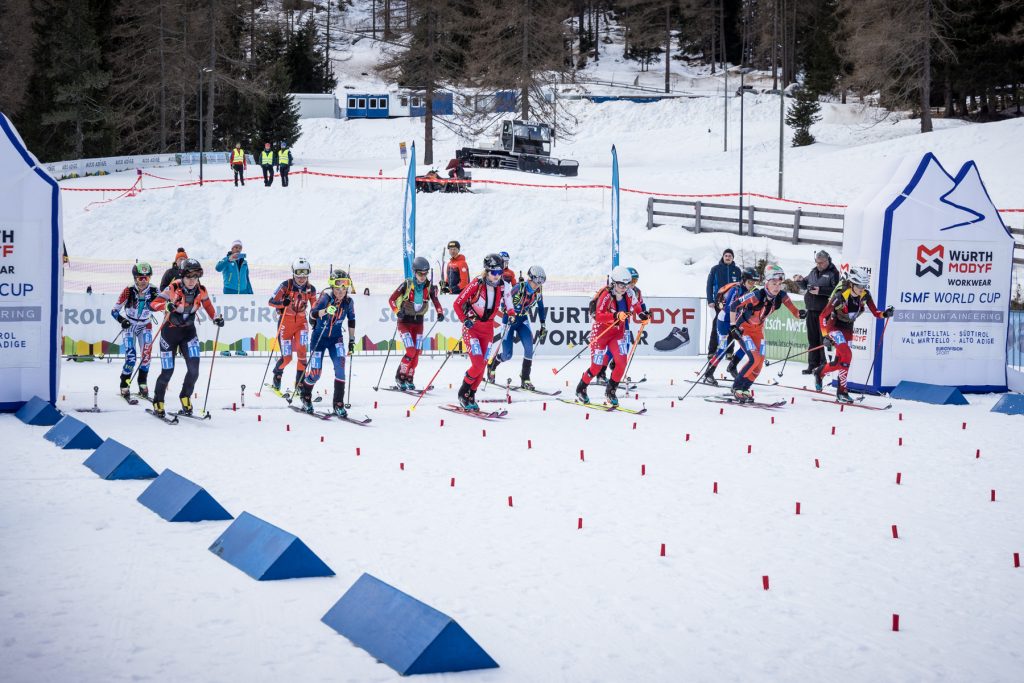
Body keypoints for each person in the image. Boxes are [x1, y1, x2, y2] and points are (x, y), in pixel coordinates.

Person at [148, 258, 224, 418]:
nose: (192, 281)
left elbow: (208, 306)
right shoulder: (173, 287)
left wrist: (216, 318)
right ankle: (158, 401)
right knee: (167, 371)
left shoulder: (201, 290)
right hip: (169, 333)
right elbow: (153, 304)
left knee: (194, 371)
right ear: (182, 275)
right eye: (189, 277)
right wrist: (165, 306)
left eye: (195, 277)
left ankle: (185, 396)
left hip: (189, 333)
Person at [815, 267, 894, 402]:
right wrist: (825, 336)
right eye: (859, 286)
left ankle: (820, 372)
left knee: (840, 362)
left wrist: (885, 314)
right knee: (847, 355)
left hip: (848, 329)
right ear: (852, 283)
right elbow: (823, 315)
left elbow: (876, 313)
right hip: (834, 327)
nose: (861, 289)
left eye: (864, 285)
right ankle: (842, 391)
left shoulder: (865, 295)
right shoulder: (840, 296)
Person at [729, 265, 805, 402]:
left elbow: (794, 311)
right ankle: (736, 387)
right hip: (744, 328)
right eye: (774, 283)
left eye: (779, 284)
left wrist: (801, 314)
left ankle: (745, 388)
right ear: (767, 283)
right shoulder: (756, 295)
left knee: (760, 361)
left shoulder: (781, 296)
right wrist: (733, 326)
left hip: (758, 330)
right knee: (754, 358)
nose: (777, 287)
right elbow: (734, 305)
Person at [575, 265, 648, 407]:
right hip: (601, 333)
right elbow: (599, 316)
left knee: (621, 362)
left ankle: (611, 391)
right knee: (596, 367)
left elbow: (637, 307)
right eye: (621, 285)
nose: (624, 288)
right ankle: (581, 388)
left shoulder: (630, 293)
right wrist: (615, 315)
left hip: (617, 333)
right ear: (614, 282)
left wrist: (643, 315)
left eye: (627, 285)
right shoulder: (606, 295)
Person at [453, 254, 514, 410]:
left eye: (500, 272)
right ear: (487, 271)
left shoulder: (503, 286)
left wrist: (512, 314)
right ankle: (463, 392)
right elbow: (457, 304)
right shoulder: (477, 284)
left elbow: (509, 303)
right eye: (494, 272)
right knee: (478, 363)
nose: (497, 276)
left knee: (483, 364)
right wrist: (464, 319)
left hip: (488, 330)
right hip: (472, 328)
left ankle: (471, 395)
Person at [299, 269, 356, 417]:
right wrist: (325, 311)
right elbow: (312, 313)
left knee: (340, 368)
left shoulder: (349, 301)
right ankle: (305, 395)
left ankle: (338, 403)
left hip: (336, 339)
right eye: (338, 286)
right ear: (332, 285)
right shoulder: (325, 297)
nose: (342, 290)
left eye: (345, 286)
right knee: (315, 374)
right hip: (319, 338)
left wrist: (351, 340)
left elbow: (351, 320)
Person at [388, 256, 444, 390]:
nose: (423, 276)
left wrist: (440, 312)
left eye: (425, 273)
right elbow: (391, 300)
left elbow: (435, 300)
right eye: (420, 274)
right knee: (411, 351)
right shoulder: (406, 284)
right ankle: (400, 376)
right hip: (404, 322)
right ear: (414, 272)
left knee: (417, 352)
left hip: (418, 323)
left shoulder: (428, 286)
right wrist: (397, 311)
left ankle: (409, 377)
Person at [487, 265, 547, 389]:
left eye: (540, 283)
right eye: (535, 283)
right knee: (507, 355)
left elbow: (541, 307)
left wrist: (542, 324)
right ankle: (492, 364)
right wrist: (509, 313)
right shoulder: (518, 288)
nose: (537, 286)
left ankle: (525, 377)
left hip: (523, 319)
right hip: (509, 319)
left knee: (529, 348)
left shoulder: (538, 291)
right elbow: (503, 302)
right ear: (529, 279)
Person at [701, 267, 758, 385]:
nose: (751, 285)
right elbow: (728, 309)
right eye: (750, 282)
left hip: (737, 322)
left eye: (754, 282)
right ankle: (708, 374)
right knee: (722, 349)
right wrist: (744, 307)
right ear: (743, 280)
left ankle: (732, 366)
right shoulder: (736, 290)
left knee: (746, 347)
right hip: (724, 322)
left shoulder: (751, 292)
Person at [268, 258, 318, 393]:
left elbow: (315, 307)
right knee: (287, 358)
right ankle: (277, 375)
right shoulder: (286, 285)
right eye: (298, 275)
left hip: (301, 324)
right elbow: (271, 301)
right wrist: (282, 303)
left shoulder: (310, 289)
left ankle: (300, 385)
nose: (301, 278)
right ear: (293, 273)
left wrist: (319, 315)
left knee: (302, 355)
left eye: (304, 275)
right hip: (286, 324)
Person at [112, 262, 160, 398]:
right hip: (130, 326)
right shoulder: (128, 290)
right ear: (135, 278)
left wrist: (168, 307)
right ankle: (124, 384)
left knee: (146, 356)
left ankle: (142, 383)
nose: (144, 281)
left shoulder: (154, 291)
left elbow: (164, 305)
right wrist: (123, 320)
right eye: (140, 278)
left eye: (147, 278)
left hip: (146, 325)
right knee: (131, 357)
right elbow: (114, 311)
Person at [595, 266, 647, 383]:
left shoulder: (636, 292)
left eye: (634, 281)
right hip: (613, 322)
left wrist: (644, 314)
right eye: (631, 281)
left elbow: (641, 306)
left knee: (625, 346)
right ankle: (601, 372)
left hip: (625, 322)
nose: (632, 284)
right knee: (610, 348)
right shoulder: (616, 290)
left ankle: (616, 367)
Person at [793, 250, 841, 375]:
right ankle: (812, 365)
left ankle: (823, 366)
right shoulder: (813, 271)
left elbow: (837, 291)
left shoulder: (833, 273)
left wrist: (820, 291)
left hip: (825, 312)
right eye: (817, 262)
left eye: (822, 262)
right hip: (811, 309)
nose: (819, 265)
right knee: (812, 339)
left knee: (822, 339)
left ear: (828, 261)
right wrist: (799, 280)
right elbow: (805, 285)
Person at [705, 248, 741, 359]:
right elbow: (709, 285)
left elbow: (740, 287)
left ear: (733, 258)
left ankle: (729, 352)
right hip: (719, 302)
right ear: (723, 257)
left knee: (731, 325)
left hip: (733, 303)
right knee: (716, 325)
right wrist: (710, 300)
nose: (728, 257)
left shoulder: (737, 270)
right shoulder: (715, 269)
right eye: (726, 255)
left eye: (730, 256)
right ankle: (712, 351)